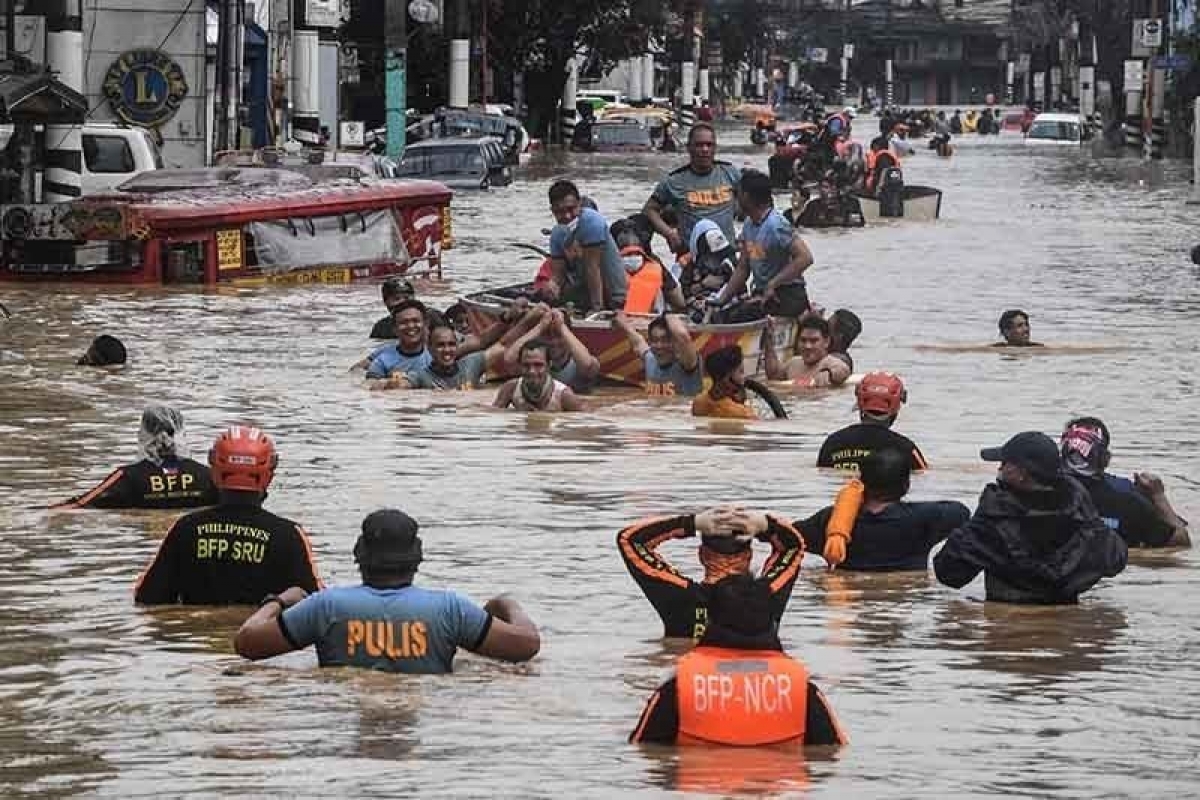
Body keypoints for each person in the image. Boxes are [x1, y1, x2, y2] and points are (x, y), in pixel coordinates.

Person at [233, 508, 540, 672]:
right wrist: (506, 603)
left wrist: (279, 601)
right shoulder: (451, 609)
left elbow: (247, 643)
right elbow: (527, 645)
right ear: (418, 557)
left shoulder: (326, 606)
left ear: (358, 554)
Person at [629, 573, 847, 747]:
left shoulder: (677, 688)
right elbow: (833, 755)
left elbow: (643, 752)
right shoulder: (803, 690)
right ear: (771, 623)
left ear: (711, 622)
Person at [134, 426, 323, 605]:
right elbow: (317, 603)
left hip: (197, 635)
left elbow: (146, 597)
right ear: (268, 475)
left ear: (215, 473)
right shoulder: (289, 536)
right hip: (261, 636)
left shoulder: (185, 528)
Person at [933, 432, 1128, 604]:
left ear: (1021, 475)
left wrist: (980, 519)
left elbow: (949, 573)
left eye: (1005, 463)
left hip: (1008, 626)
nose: (999, 467)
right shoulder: (1079, 510)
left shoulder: (995, 517)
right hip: (1065, 625)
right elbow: (1116, 559)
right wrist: (1090, 516)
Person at [617, 506, 804, 639]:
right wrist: (765, 525)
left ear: (702, 555)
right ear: (749, 555)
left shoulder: (681, 596)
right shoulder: (768, 596)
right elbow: (794, 546)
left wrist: (691, 523)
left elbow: (630, 540)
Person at [797, 449, 968, 571]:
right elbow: (961, 512)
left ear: (861, 483)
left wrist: (848, 503)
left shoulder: (830, 521)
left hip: (848, 603)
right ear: (906, 486)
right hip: (905, 602)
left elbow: (787, 535)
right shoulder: (924, 519)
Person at [1059, 417, 1190, 547]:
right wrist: (1158, 496)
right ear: (1106, 459)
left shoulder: (1042, 490)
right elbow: (1180, 541)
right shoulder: (1129, 500)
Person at [54, 405, 217, 510]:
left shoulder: (128, 477)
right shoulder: (208, 476)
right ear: (180, 431)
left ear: (144, 434)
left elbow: (80, 505)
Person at [711, 170, 814, 319]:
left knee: (737, 316)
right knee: (722, 315)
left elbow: (805, 258)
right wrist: (721, 299)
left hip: (788, 294)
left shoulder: (776, 225)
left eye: (737, 194)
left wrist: (773, 284)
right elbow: (743, 268)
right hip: (762, 294)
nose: (735, 199)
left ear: (746, 196)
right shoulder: (748, 224)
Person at [643, 122, 742, 253]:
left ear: (715, 148)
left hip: (726, 255)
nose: (705, 149)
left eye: (709, 145)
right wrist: (669, 234)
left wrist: (747, 235)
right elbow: (649, 210)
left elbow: (753, 205)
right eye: (699, 145)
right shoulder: (674, 181)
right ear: (689, 148)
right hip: (690, 258)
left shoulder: (730, 173)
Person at [543, 180, 628, 311]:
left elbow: (593, 269)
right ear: (552, 210)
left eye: (571, 209)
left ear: (580, 205)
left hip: (612, 293)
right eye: (559, 211)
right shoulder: (557, 234)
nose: (567, 216)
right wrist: (553, 284)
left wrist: (597, 310)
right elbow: (558, 274)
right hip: (582, 292)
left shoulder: (592, 221)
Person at [817, 372, 928, 471]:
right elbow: (923, 476)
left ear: (859, 403)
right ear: (896, 406)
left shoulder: (832, 442)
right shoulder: (905, 448)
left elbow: (821, 474)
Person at [501, 306, 600, 393]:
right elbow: (508, 360)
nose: (553, 342)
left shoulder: (580, 362)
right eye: (547, 335)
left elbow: (588, 365)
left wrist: (561, 327)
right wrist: (540, 327)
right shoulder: (532, 363)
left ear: (568, 335)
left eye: (558, 335)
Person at [613, 312, 701, 396]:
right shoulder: (650, 359)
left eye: (665, 340)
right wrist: (622, 321)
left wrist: (667, 314)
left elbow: (682, 335)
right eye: (655, 340)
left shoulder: (688, 363)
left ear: (675, 342)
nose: (659, 346)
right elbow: (637, 342)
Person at [493, 339, 584, 412]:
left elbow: (585, 421)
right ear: (520, 366)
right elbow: (492, 416)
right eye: (526, 365)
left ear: (549, 365)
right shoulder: (510, 388)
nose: (532, 371)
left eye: (538, 365)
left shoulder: (564, 396)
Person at [762, 315, 851, 388]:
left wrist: (829, 374)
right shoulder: (793, 363)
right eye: (803, 340)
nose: (807, 346)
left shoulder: (830, 363)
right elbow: (773, 376)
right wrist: (769, 341)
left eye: (814, 341)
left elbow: (844, 370)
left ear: (826, 342)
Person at [359, 299, 432, 382]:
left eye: (415, 321)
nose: (410, 326)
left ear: (426, 323)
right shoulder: (382, 361)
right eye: (404, 323)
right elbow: (369, 387)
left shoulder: (437, 356)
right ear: (394, 329)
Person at [692, 345, 755, 420]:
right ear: (726, 378)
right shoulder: (743, 414)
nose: (744, 378)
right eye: (741, 372)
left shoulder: (698, 402)